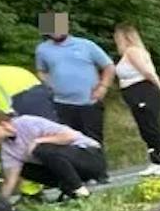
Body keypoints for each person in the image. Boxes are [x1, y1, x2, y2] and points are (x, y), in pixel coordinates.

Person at [33, 11, 113, 143]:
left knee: (92, 142)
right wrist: (49, 83)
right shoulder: (42, 49)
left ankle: (95, 164)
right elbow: (41, 70)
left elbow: (109, 66)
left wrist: (103, 87)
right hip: (61, 105)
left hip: (89, 103)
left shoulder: (86, 45)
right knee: (67, 143)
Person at [0, 113, 108, 202]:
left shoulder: (26, 122)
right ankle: (71, 190)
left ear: (3, 124)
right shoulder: (7, 148)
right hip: (67, 168)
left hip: (89, 157)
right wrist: (1, 203)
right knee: (23, 169)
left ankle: (79, 190)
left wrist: (39, 140)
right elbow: (11, 180)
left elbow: (70, 136)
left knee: (41, 149)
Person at [113, 24, 160, 175]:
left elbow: (147, 71)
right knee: (145, 128)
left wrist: (159, 85)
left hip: (143, 90)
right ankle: (155, 159)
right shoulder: (127, 54)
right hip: (133, 93)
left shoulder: (132, 52)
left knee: (152, 125)